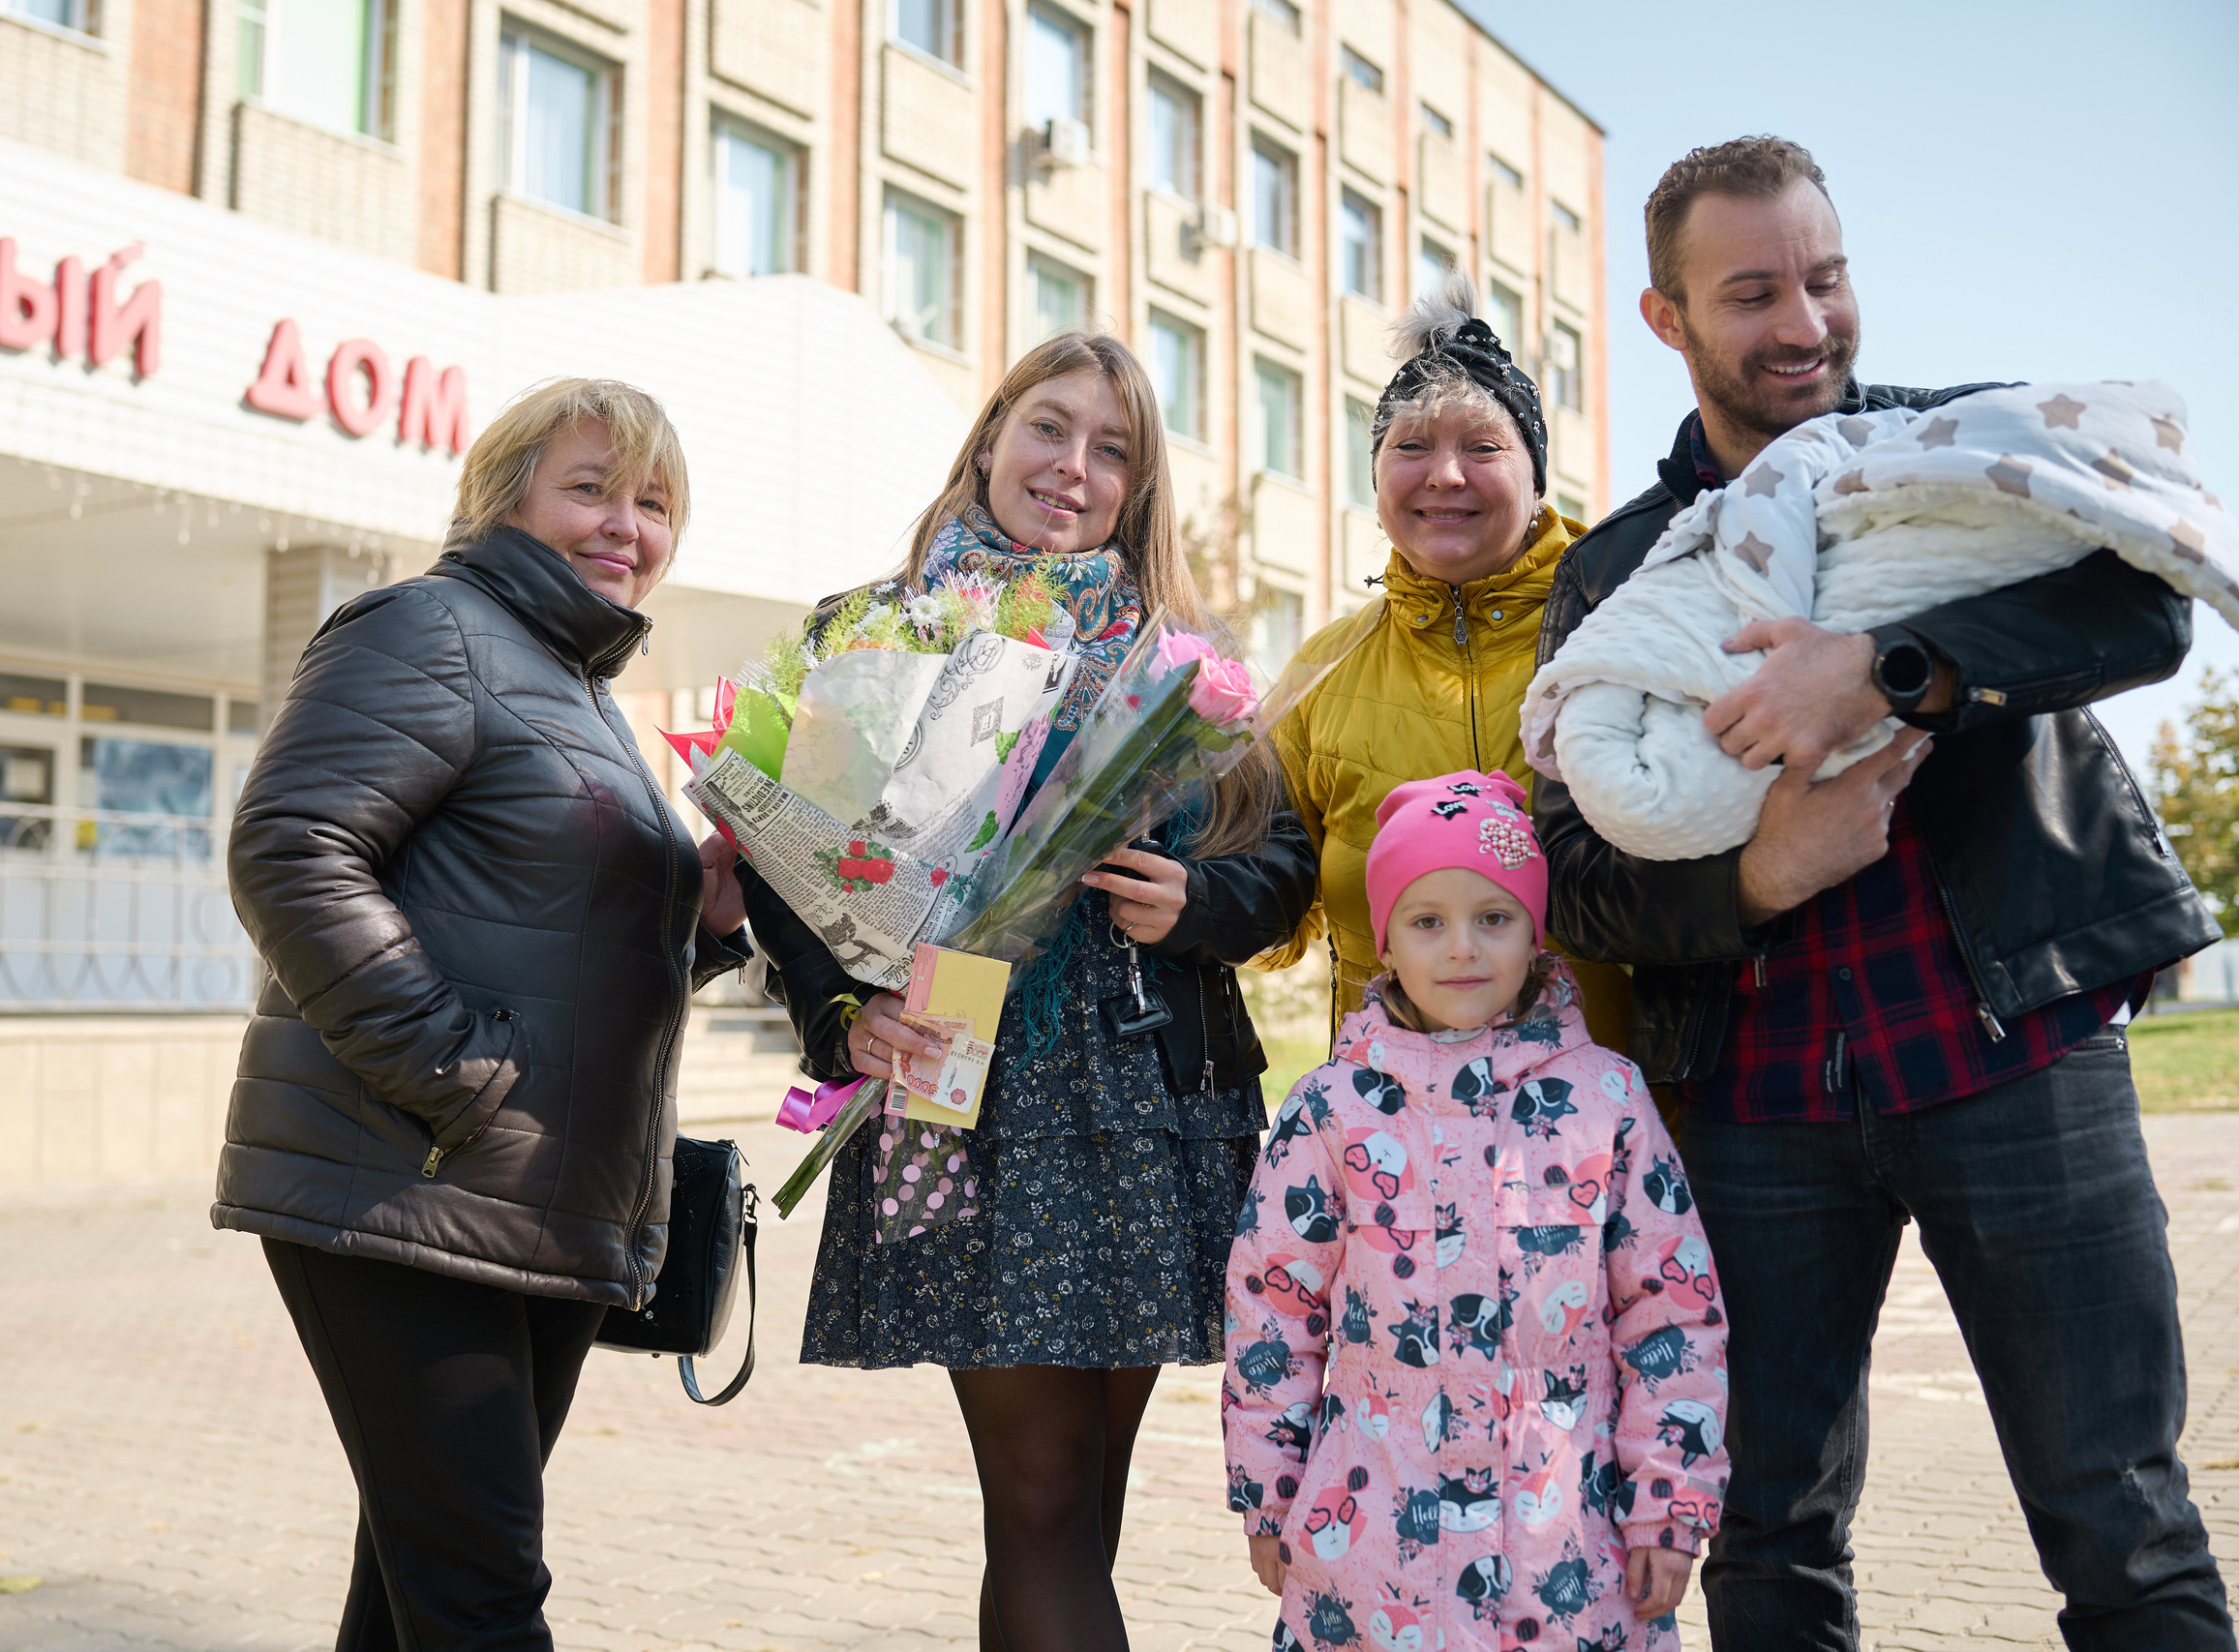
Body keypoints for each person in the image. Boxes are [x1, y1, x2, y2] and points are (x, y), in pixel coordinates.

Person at [1533, 135, 2233, 1651]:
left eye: (1828, 276)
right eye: (1753, 291)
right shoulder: (1616, 575)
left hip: (2016, 1054)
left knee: (2127, 1523)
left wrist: (1891, 667)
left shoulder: (1963, 451)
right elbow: (1579, 885)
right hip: (1753, 1104)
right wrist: (1761, 871)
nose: (1806, 322)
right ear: (1668, 319)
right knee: (1766, 1529)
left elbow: (2142, 599)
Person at [739, 331, 1317, 1652]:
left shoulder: (1185, 664)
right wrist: (841, 1012)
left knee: (1071, 1514)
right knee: (1044, 1502)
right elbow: (785, 864)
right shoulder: (868, 632)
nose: (1074, 466)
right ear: (993, 433)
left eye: (1112, 448)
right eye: (1051, 427)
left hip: (1155, 1107)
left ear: (1139, 485)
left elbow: (1282, 863)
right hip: (965, 1099)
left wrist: (1197, 905)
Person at [212, 378, 753, 1651]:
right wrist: (455, 1066)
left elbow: (572, 948)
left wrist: (708, 923)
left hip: (536, 1202)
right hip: (410, 1186)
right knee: (483, 1600)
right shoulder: (431, 627)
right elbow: (293, 846)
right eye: (590, 487)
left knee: (417, 1592)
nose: (626, 524)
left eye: (654, 502)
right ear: (506, 494)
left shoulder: (580, 688)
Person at [1224, 770, 1729, 1652]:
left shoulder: (1604, 1098)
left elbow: (1671, 1314)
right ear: (1385, 942)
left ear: (1535, 933)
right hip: (1374, 1538)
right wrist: (1268, 1490)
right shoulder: (1333, 1110)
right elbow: (1274, 1308)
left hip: (1569, 1544)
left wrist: (1669, 1502)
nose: (1462, 948)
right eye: (1427, 921)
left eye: (1493, 918)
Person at [1263, 273, 1630, 1053]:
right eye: (1412, 447)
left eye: (1483, 446)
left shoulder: (1622, 632)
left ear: (1537, 480)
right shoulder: (1322, 675)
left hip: (1603, 1137)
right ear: (1376, 476)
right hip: (1385, 1137)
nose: (1446, 475)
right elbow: (1267, 918)